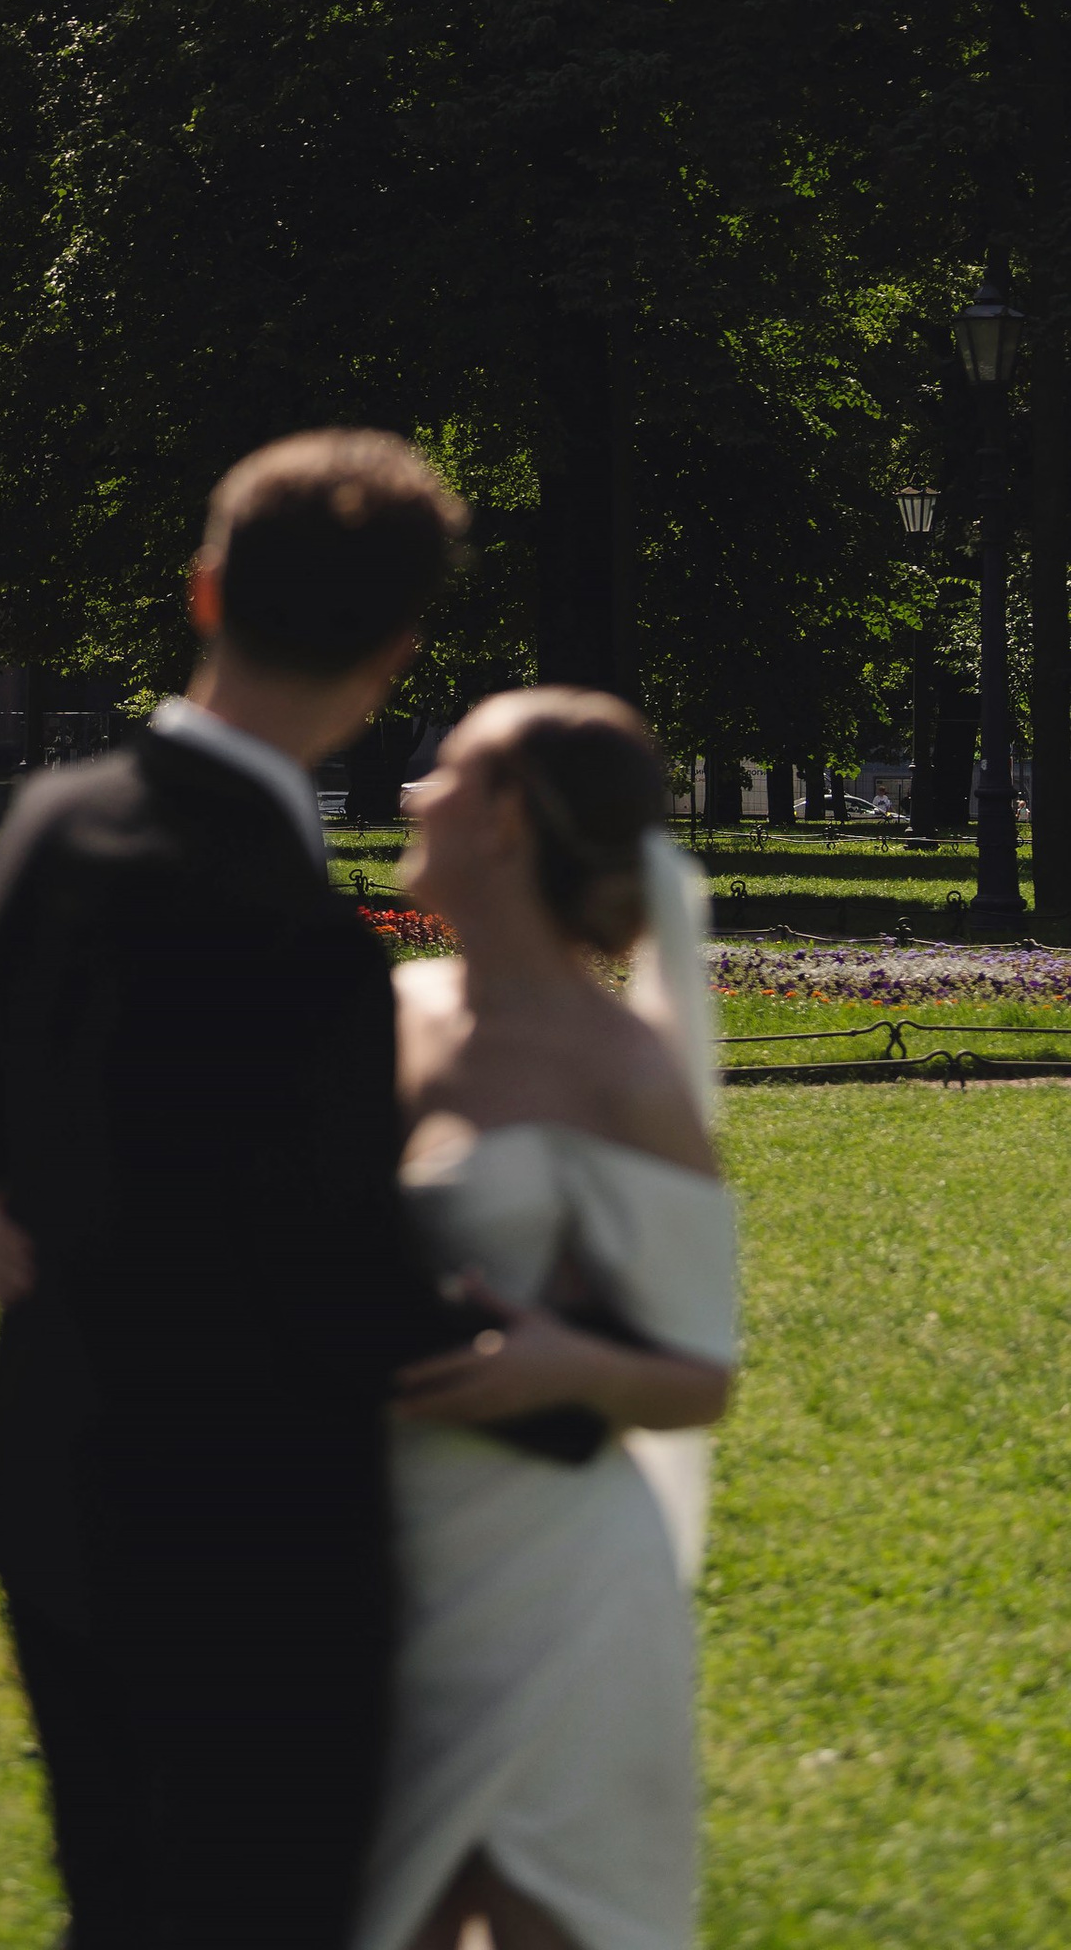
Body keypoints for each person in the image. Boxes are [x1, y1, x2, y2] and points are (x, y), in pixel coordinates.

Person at [0, 431, 470, 1950]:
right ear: (395, 651)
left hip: (56, 1482)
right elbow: (329, 1276)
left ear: (206, 590)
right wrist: (543, 1366)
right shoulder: (307, 948)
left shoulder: (50, 822)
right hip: (252, 1548)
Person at [357, 692, 738, 1950]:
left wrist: (561, 1364)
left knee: (544, 1921)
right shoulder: (387, 1009)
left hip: (556, 1582)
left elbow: (700, 1376)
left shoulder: (619, 1072)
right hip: (380, 1554)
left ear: (508, 819)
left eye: (446, 771)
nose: (415, 791)